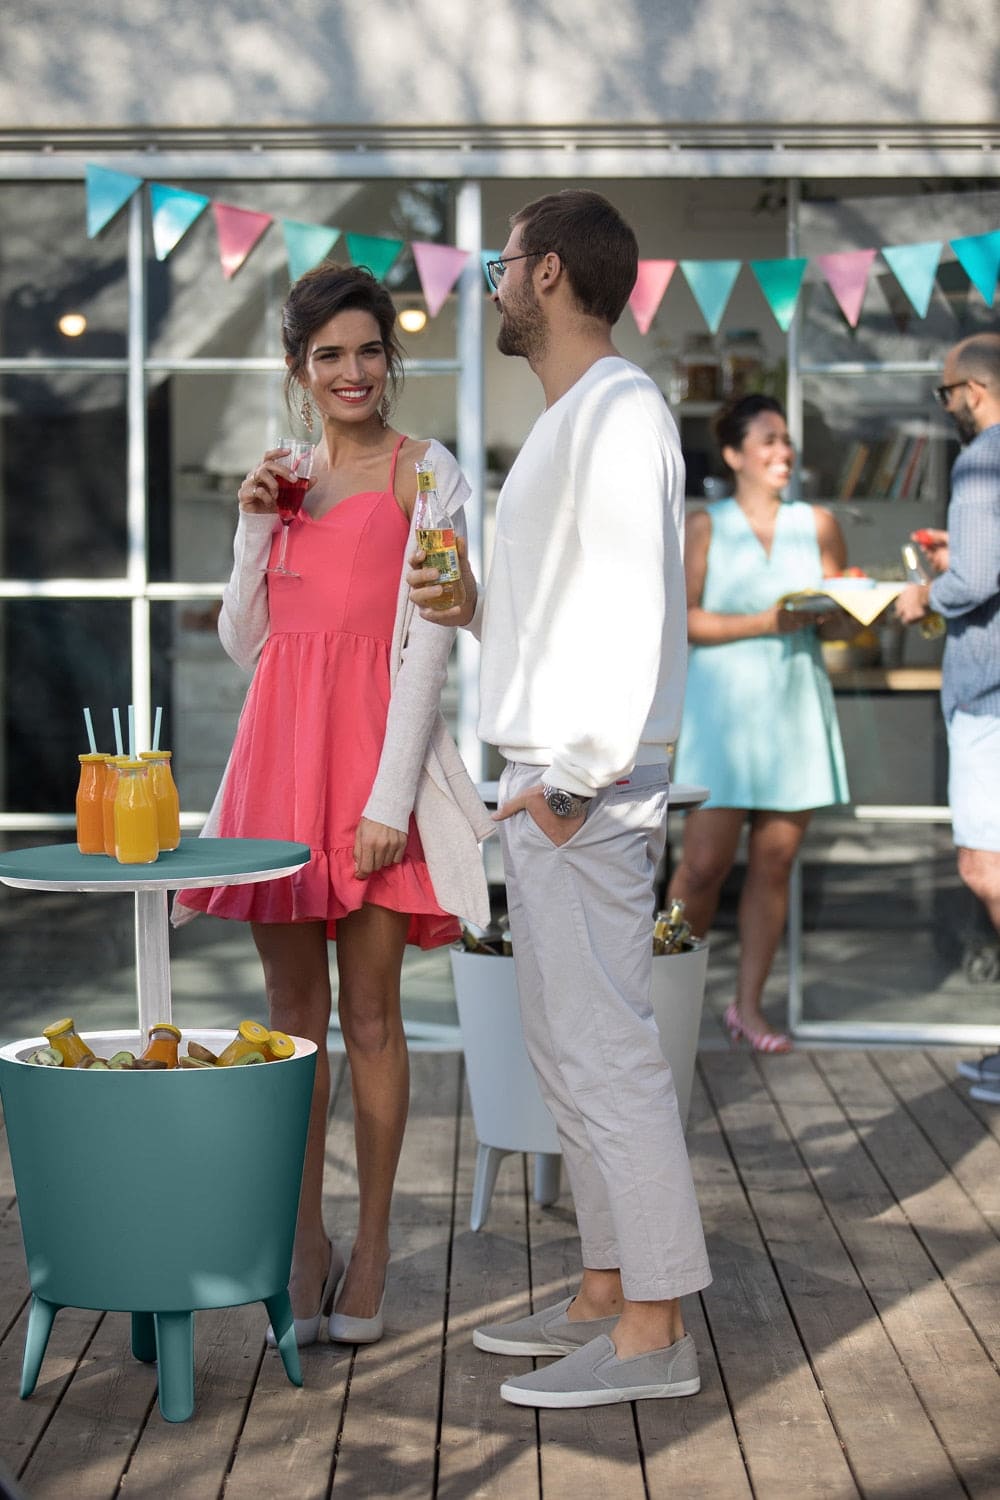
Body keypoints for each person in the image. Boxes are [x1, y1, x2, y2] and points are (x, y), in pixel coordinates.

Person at [409, 189, 711, 1411]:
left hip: (579, 788)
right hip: (546, 780)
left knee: (606, 1058)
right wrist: (476, 606)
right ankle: (600, 1289)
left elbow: (635, 602)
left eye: (500, 262)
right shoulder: (572, 418)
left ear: (545, 276)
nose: (486, 282)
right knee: (566, 1054)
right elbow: (567, 615)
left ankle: (652, 1334)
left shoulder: (620, 410)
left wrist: (577, 781)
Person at [174, 263, 494, 1346]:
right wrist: (254, 527)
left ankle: (369, 1258)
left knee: (369, 1018)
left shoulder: (429, 474)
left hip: (370, 775)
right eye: (329, 356)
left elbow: (430, 654)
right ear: (297, 371)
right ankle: (302, 1242)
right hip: (278, 769)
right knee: (290, 1026)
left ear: (387, 360)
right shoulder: (285, 475)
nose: (351, 372)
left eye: (367, 351)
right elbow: (244, 643)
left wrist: (389, 800)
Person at [667, 396, 851, 1052]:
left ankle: (747, 1007)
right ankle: (664, 1004)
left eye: (787, 442)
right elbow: (683, 620)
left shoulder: (819, 523)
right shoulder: (704, 525)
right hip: (722, 716)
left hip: (794, 705)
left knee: (775, 864)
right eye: (768, 441)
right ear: (735, 454)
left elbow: (844, 615)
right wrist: (765, 622)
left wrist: (852, 608)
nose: (783, 452)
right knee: (703, 867)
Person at [895, 332, 1000, 1103]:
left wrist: (923, 594)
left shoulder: (982, 457)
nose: (948, 406)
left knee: (984, 868)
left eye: (946, 392)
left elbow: (979, 576)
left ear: (976, 389)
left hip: (989, 694)